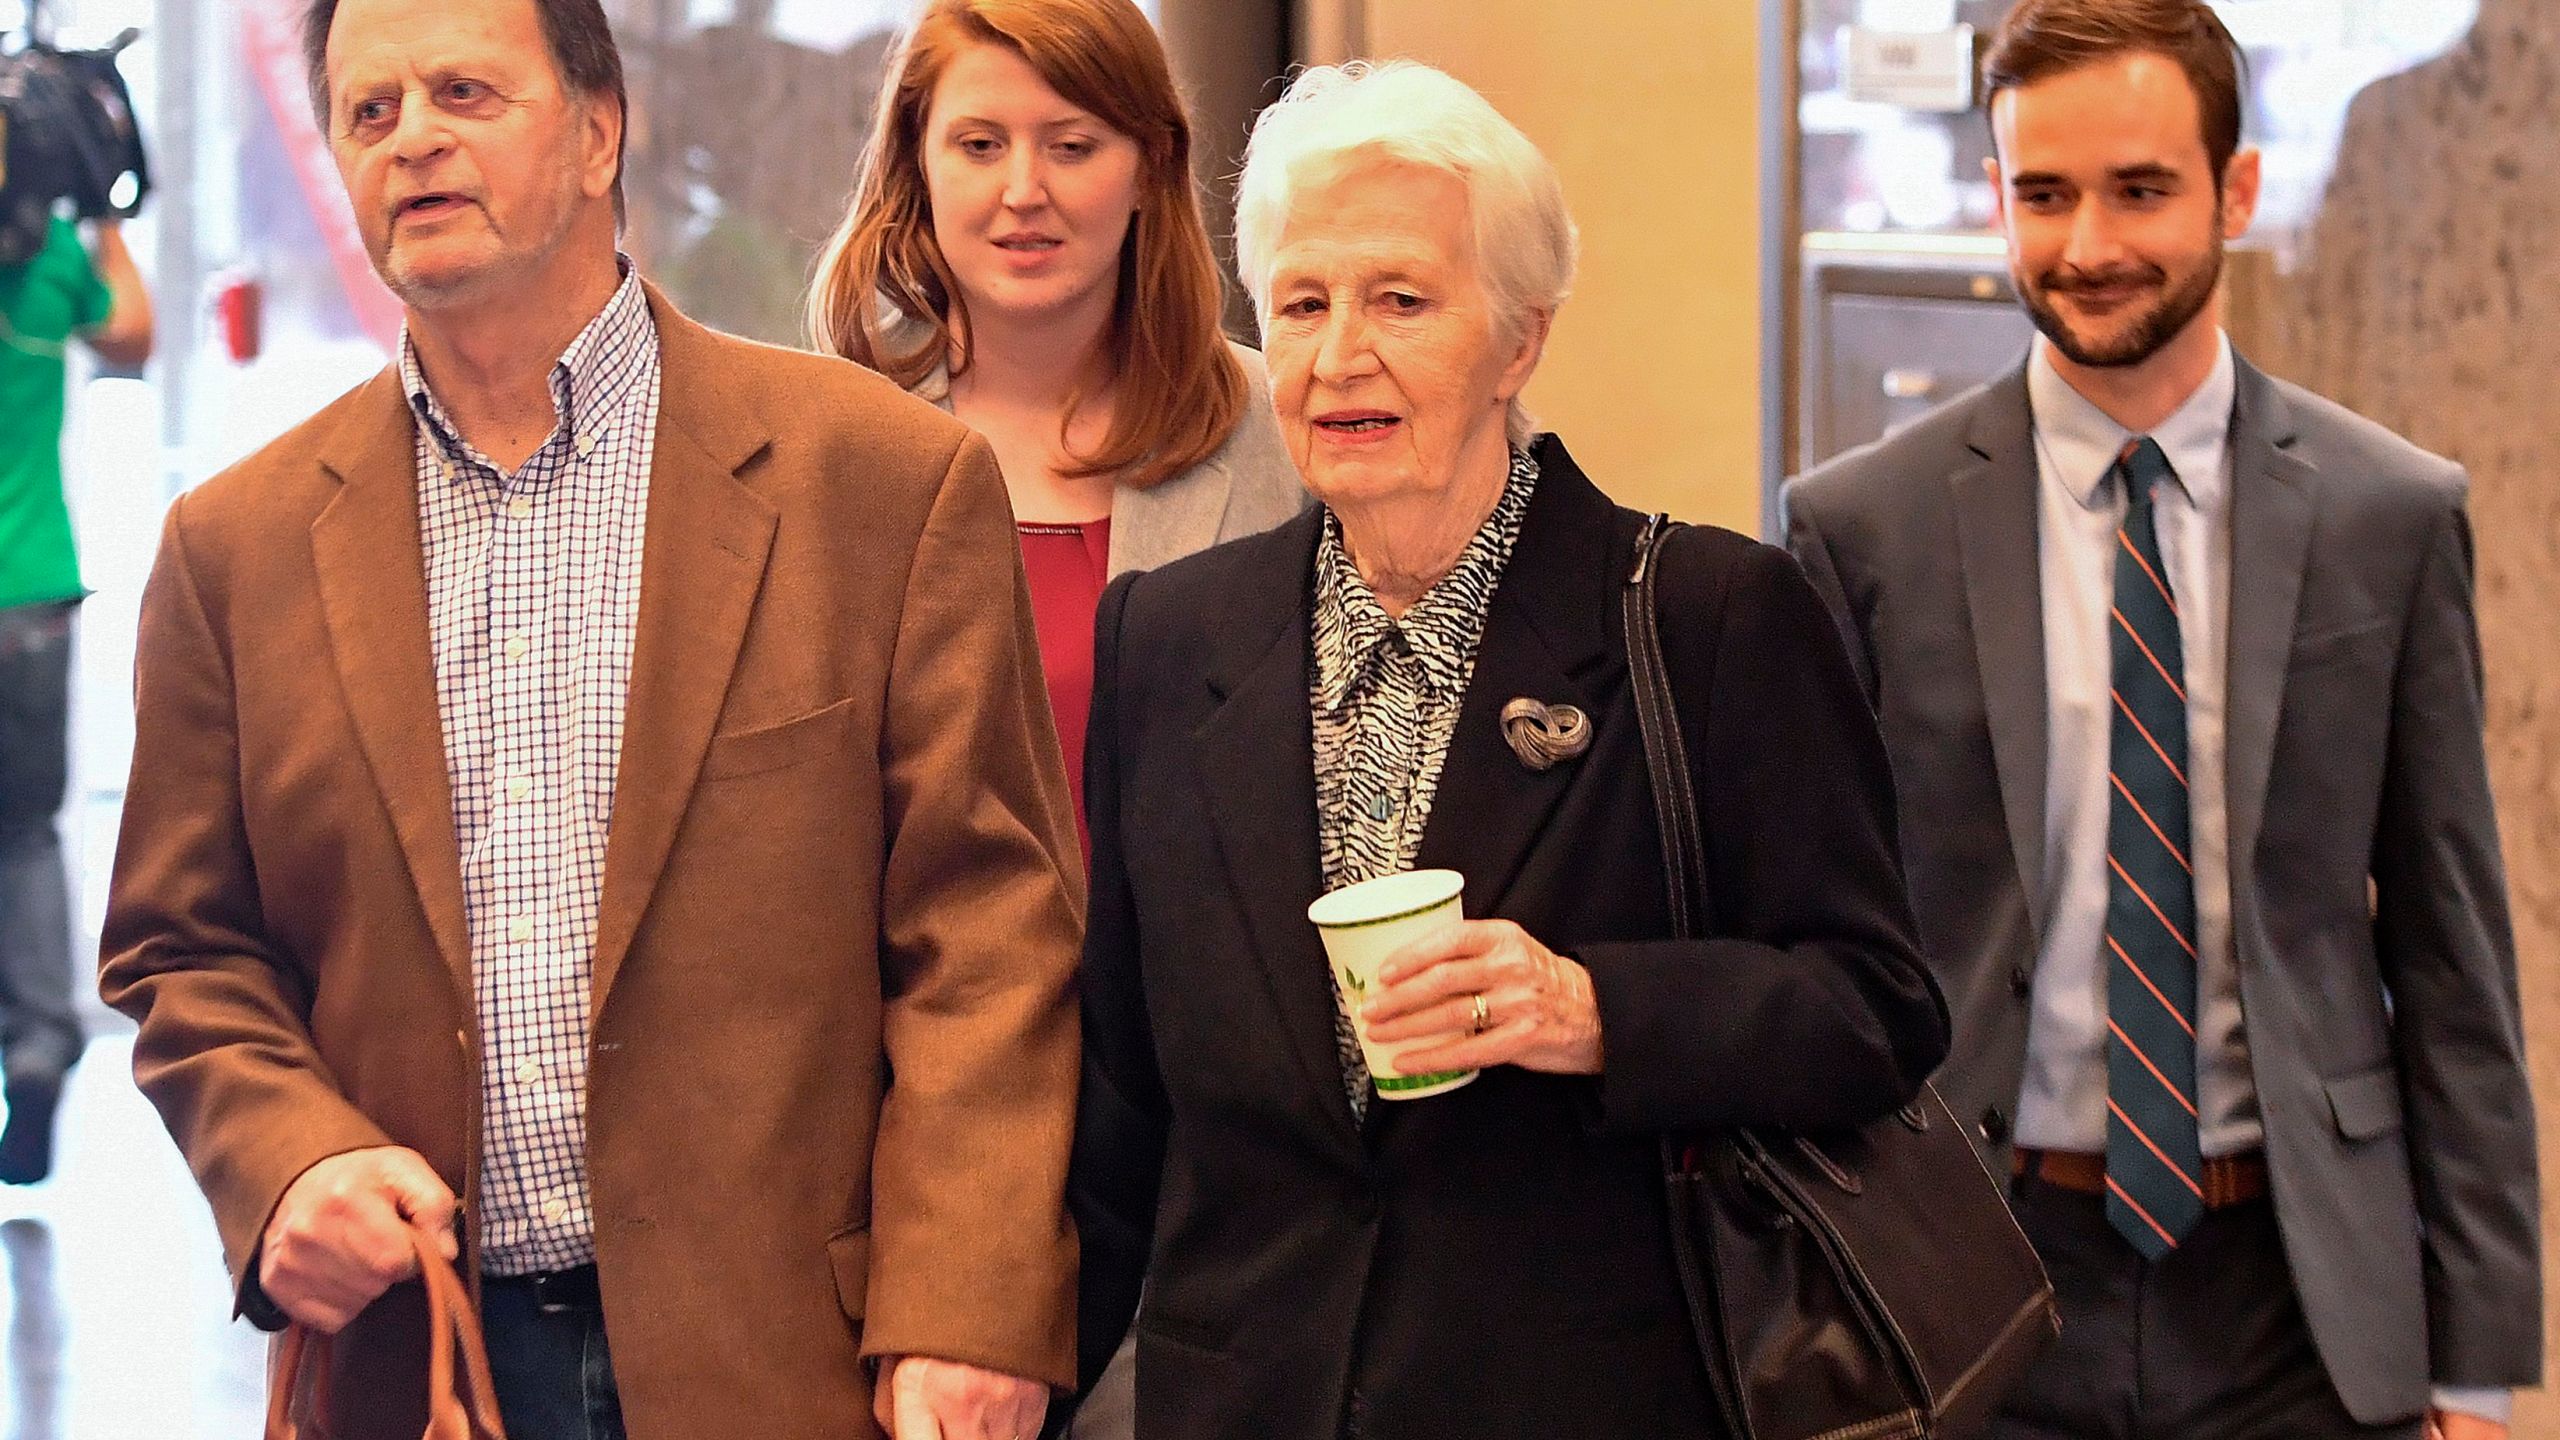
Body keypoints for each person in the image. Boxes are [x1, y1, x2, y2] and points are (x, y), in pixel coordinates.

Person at [97, 1, 1082, 1437]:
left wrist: (971, 1304)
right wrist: (286, 1163)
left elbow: (987, 933)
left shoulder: (878, 483)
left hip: (800, 1358)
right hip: (423, 1365)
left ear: (599, 129)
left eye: (464, 92)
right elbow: (183, 946)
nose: (414, 138)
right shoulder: (231, 550)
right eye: (369, 113)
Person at [1061, 60, 1949, 1440]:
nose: (1340, 353)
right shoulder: (1169, 641)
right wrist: (1011, 1365)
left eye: (1402, 299)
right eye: (1302, 303)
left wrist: (1590, 1008)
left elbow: (1876, 1011)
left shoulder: (1710, 617)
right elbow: (1118, 1094)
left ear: (1519, 340)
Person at [1782, 3, 2540, 1437]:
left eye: (2139, 190)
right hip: (1970, 1271)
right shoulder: (1859, 530)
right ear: (1996, 194)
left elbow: (2454, 957)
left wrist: (2477, 1364)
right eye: (2045, 194)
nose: (2087, 246)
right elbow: (1818, 952)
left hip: (2296, 1297)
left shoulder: (2391, 517)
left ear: (2233, 192)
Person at [808, 0, 1302, 859]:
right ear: (916, 165)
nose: (1023, 191)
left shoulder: (1284, 424)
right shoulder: (825, 443)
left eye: (1072, 146)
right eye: (979, 145)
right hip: (930, 990)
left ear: (1151, 166)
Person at [0, 213, 150, 1186]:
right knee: (24, 831)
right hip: (30, 591)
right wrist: (100, 215)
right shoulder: (47, 258)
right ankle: (41, 1046)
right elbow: (131, 334)